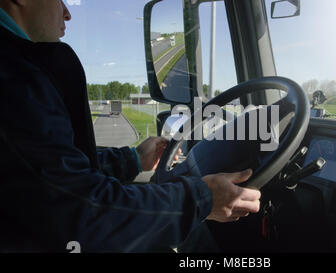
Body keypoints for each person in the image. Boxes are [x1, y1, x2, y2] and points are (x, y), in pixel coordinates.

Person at [0, 0, 261, 252]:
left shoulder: (19, 73)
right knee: (194, 238)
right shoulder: (13, 80)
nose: (67, 13)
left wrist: (133, 159)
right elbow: (77, 210)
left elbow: (49, 173)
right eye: (59, 0)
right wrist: (202, 200)